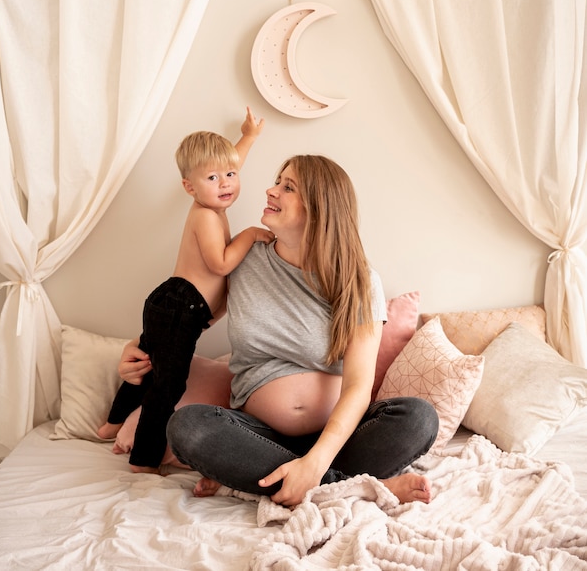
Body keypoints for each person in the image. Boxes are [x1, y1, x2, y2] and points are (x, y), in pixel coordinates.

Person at [118, 154, 439, 506]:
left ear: (320, 207)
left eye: (288, 187)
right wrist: (138, 346)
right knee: (187, 427)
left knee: (419, 417)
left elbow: (359, 386)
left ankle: (288, 479)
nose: (270, 191)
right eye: (277, 181)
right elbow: (189, 317)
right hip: (256, 436)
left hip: (338, 440)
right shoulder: (243, 259)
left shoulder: (358, 280)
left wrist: (315, 461)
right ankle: (356, 486)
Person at [98, 108, 274, 473]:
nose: (226, 183)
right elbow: (221, 264)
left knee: (146, 364)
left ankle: (112, 423)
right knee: (167, 385)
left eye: (231, 175)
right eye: (214, 178)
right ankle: (142, 460)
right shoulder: (205, 216)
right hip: (179, 306)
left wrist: (249, 137)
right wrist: (250, 234)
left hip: (181, 308)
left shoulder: (213, 195)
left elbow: (229, 161)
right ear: (189, 187)